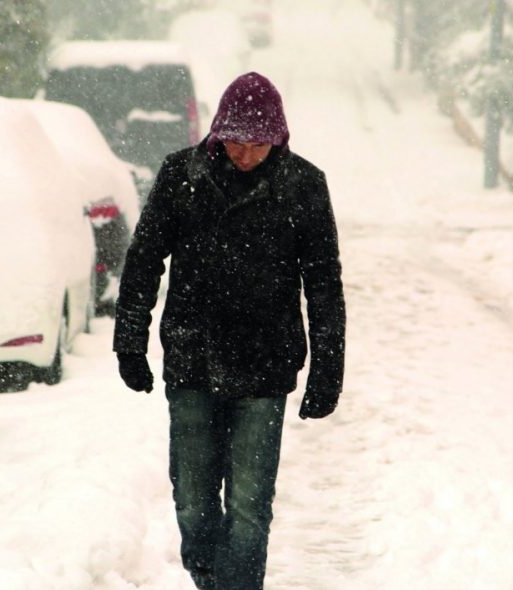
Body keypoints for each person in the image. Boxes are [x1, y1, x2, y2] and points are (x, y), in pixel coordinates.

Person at [113, 71, 346, 590]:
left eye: (257, 143)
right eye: (236, 141)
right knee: (193, 504)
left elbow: (324, 286)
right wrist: (130, 341)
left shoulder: (304, 187)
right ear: (219, 132)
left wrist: (327, 372)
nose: (245, 154)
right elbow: (144, 260)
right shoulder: (180, 176)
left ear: (277, 138)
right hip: (192, 360)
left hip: (265, 368)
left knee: (248, 506)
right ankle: (210, 579)